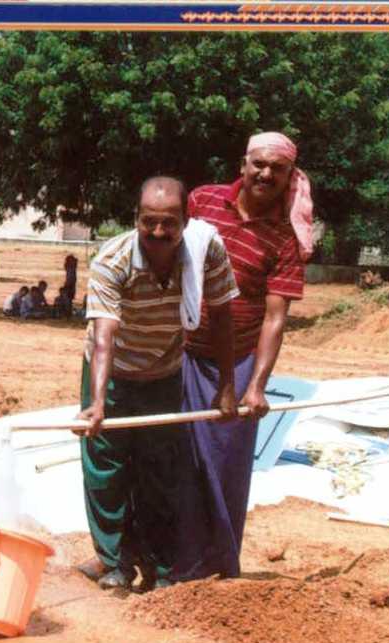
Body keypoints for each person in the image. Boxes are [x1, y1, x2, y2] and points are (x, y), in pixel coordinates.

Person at [75, 176, 240, 592]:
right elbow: (104, 335)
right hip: (111, 372)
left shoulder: (206, 252)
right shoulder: (112, 260)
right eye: (149, 222)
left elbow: (222, 318)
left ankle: (159, 566)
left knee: (161, 471)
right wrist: (97, 404)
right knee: (107, 469)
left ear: (187, 220)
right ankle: (115, 563)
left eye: (169, 223)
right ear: (136, 219)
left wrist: (227, 387)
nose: (159, 233)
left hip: (165, 372)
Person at [176, 132, 312, 581]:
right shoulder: (201, 201)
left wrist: (255, 385)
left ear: (289, 176)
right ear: (243, 164)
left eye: (277, 168)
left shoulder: (286, 239)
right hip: (180, 352)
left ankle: (215, 567)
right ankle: (170, 563)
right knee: (172, 458)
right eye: (259, 164)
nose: (266, 174)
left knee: (225, 463)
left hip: (236, 363)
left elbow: (275, 318)